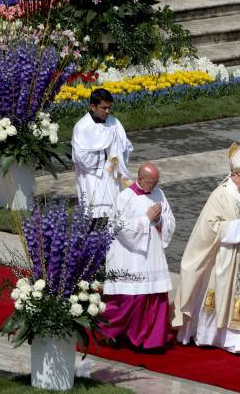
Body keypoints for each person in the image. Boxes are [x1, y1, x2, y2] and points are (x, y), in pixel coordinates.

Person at [173, 141, 240, 357]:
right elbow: (209, 228)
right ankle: (230, 340)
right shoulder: (220, 195)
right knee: (231, 300)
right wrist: (236, 226)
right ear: (233, 174)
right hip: (228, 260)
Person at [100, 162, 175, 352]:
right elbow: (118, 227)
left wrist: (159, 219)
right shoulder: (125, 197)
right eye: (151, 182)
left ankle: (152, 340)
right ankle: (108, 330)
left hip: (152, 254)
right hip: (130, 255)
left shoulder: (158, 193)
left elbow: (169, 219)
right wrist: (146, 219)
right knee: (132, 299)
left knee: (156, 296)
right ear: (140, 179)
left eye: (157, 181)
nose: (154, 185)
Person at [72, 88, 133, 222]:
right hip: (92, 177)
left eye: (109, 108)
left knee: (115, 214)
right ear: (93, 106)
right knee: (95, 216)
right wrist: (106, 153)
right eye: (103, 108)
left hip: (112, 175)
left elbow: (126, 146)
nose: (107, 111)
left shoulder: (114, 122)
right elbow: (82, 158)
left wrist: (117, 150)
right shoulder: (82, 127)